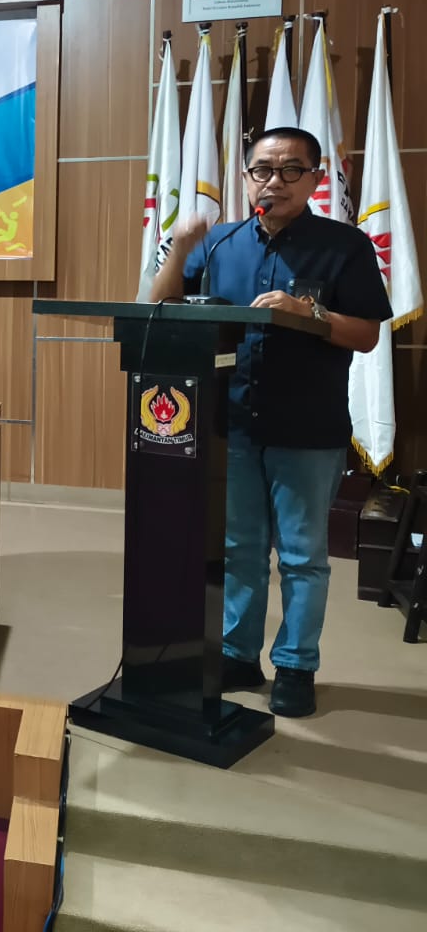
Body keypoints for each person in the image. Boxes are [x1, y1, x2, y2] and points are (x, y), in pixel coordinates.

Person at [149, 126, 390, 718]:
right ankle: (237, 654)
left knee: (303, 555)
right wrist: (181, 248)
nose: (273, 182)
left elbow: (366, 334)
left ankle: (296, 665)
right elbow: (160, 305)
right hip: (231, 420)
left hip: (307, 426)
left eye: (289, 171)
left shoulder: (345, 246)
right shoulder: (221, 242)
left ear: (314, 178)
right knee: (240, 549)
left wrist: (308, 312)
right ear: (246, 177)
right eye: (262, 170)